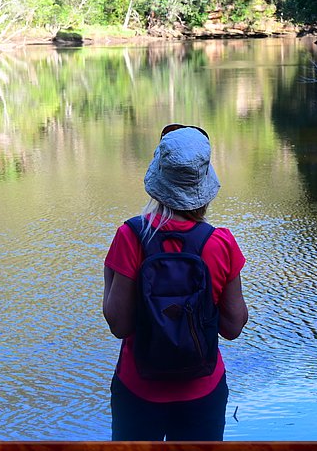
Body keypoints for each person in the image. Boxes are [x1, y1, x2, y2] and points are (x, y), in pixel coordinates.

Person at [102, 124, 249, 441]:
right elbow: (233, 326)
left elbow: (119, 325)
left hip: (137, 390)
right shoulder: (220, 243)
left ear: (158, 177)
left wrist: (110, 275)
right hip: (202, 392)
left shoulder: (130, 236)